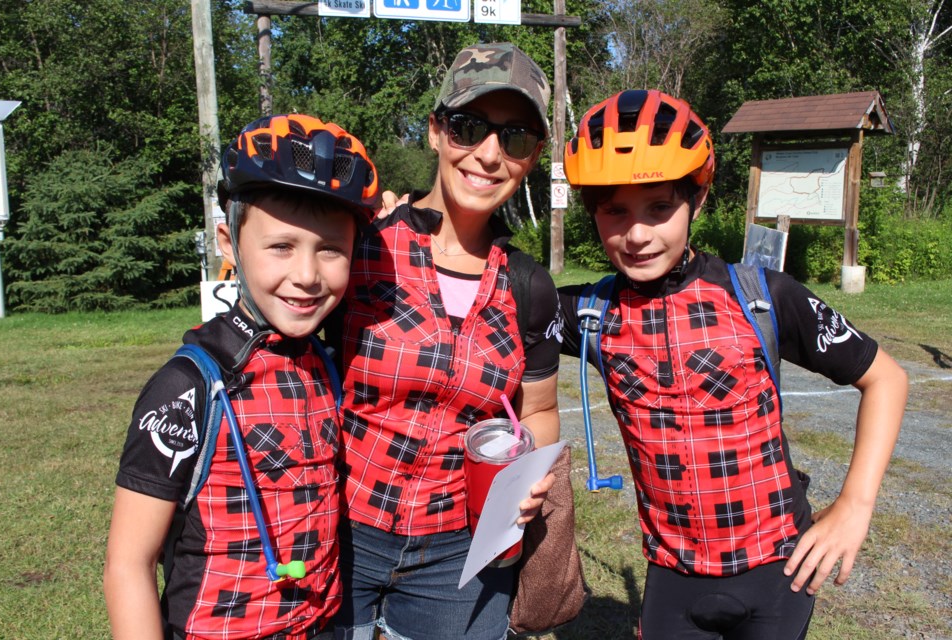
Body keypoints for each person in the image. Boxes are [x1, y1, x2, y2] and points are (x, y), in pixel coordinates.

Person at [557, 89, 908, 639]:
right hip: (673, 576)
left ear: (697, 202)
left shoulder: (763, 297)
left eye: (659, 206)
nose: (638, 232)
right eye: (614, 210)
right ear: (592, 213)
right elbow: (492, 300)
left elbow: (886, 377)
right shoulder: (589, 312)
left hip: (779, 572)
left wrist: (855, 505)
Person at [104, 113, 380, 639]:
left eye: (331, 250)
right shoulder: (189, 387)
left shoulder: (323, 362)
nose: (306, 275)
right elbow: (127, 565)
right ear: (229, 244)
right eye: (281, 246)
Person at [329, 43, 562, 640]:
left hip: (458, 552)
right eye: (468, 127)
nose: (488, 154)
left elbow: (538, 409)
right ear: (435, 131)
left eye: (514, 138)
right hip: (339, 531)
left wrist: (526, 478)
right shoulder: (364, 249)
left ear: (532, 156)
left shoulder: (530, 285)